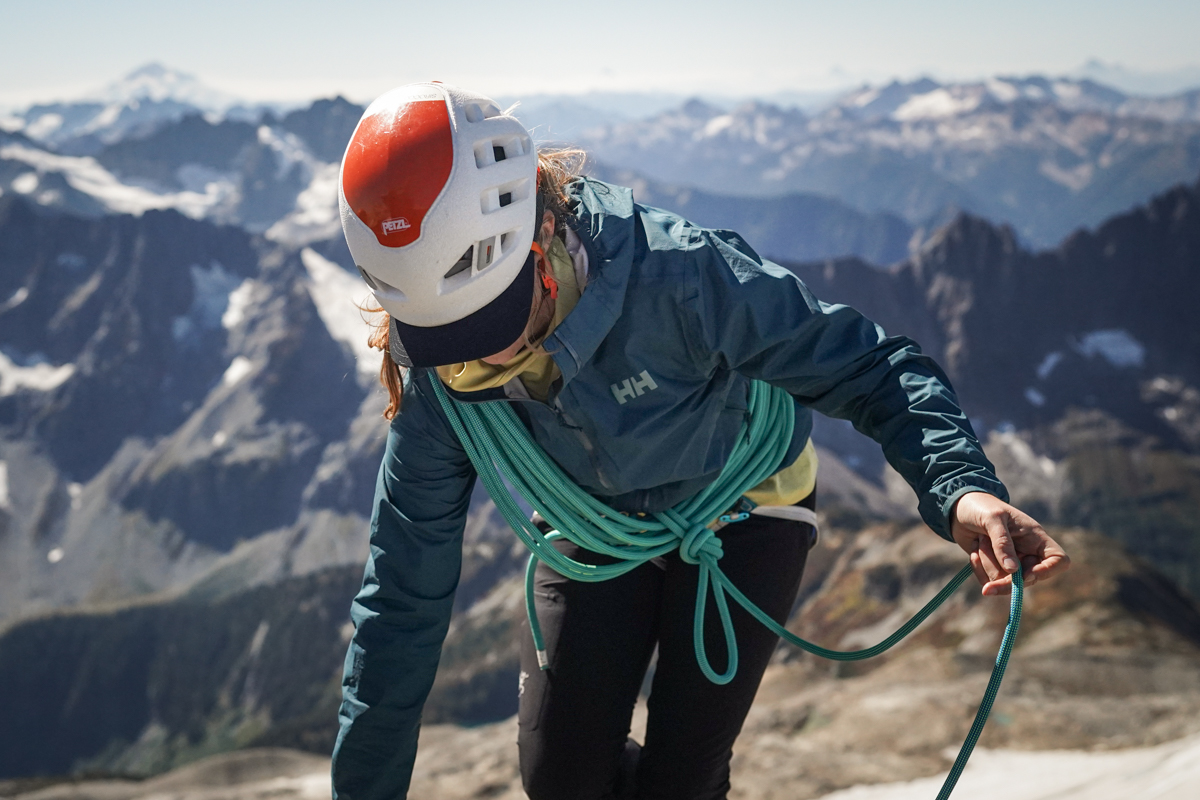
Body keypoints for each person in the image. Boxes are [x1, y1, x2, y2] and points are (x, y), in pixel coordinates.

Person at [329, 83, 1070, 800]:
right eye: (449, 337)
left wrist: (962, 489)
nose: (481, 362)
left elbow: (869, 364)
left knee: (681, 782)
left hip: (746, 510)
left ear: (541, 233)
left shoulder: (680, 275)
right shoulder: (439, 371)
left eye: (491, 323)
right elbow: (400, 600)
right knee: (559, 779)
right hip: (598, 520)